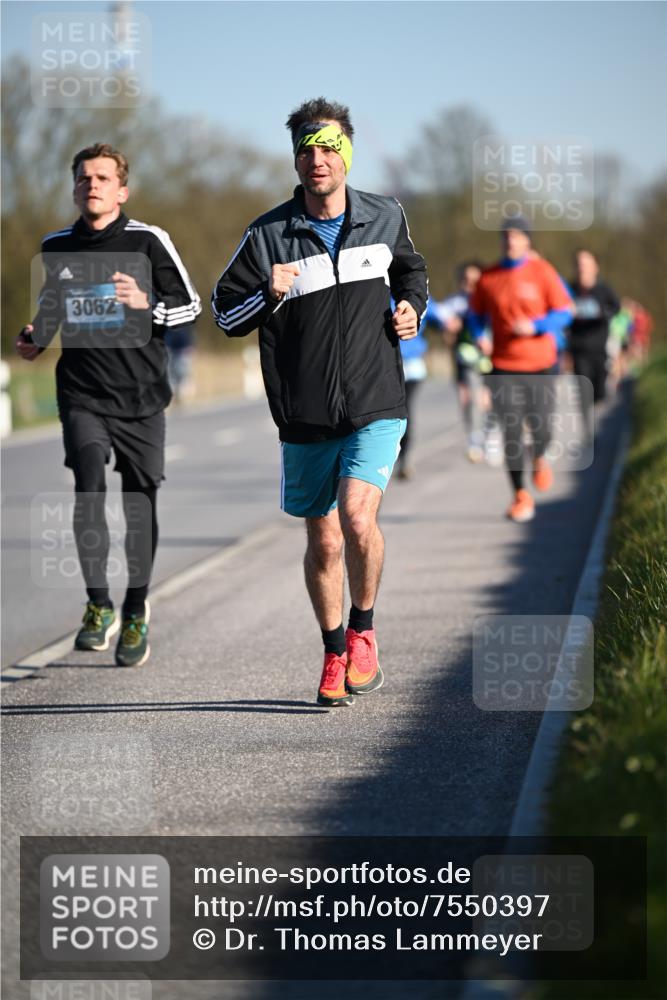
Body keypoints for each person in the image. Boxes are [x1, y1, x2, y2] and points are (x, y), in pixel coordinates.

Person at [212, 97, 427, 706]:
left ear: (347, 154)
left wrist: (412, 306)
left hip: (375, 398)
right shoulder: (268, 235)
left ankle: (363, 632)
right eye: (306, 150)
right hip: (304, 412)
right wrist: (266, 291)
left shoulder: (386, 217)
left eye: (329, 148)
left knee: (359, 518)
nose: (317, 160)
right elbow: (226, 313)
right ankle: (334, 650)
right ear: (296, 159)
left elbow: (412, 273)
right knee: (325, 539)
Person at [16, 142, 201, 665]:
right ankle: (98, 605)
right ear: (74, 188)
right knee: (89, 488)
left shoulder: (148, 241)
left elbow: (190, 306)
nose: (91, 185)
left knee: (139, 507)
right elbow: (53, 307)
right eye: (83, 178)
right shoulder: (55, 246)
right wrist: (35, 337)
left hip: (141, 396)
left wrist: (147, 304)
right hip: (82, 391)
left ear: (122, 190)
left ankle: (136, 609)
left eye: (102, 178)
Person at [468, 217, 574, 523]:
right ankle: (519, 494)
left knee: (542, 428)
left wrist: (536, 326)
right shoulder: (489, 277)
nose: (510, 242)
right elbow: (474, 315)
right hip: (503, 366)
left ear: (527, 241)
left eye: (516, 237)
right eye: (505, 238)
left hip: (540, 364)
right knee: (511, 432)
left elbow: (564, 312)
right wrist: (480, 335)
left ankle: (539, 456)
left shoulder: (542, 271)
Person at [435, 262, 498, 464]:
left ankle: (492, 435)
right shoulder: (455, 302)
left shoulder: (490, 298)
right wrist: (449, 326)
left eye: (474, 281)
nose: (470, 285)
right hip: (466, 356)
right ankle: (475, 439)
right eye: (466, 280)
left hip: (492, 355)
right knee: (470, 398)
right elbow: (440, 319)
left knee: (490, 399)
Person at [567, 249, 620, 435]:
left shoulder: (604, 290)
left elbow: (615, 308)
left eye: (586, 264)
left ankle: (596, 419)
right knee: (584, 391)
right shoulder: (569, 289)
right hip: (578, 349)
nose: (582, 269)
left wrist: (600, 314)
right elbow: (558, 311)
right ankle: (589, 431)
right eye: (579, 265)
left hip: (599, 348)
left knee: (599, 392)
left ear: (595, 267)